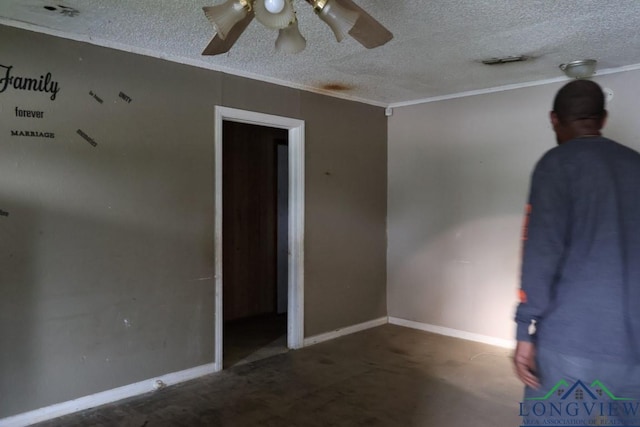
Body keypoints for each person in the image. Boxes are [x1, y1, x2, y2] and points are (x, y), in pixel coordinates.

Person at [514, 79, 640, 425]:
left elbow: (540, 254)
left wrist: (524, 333)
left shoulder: (556, 164)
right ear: (603, 119)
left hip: (569, 345)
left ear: (554, 119)